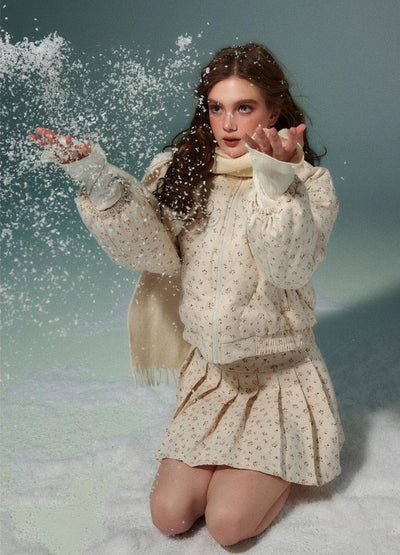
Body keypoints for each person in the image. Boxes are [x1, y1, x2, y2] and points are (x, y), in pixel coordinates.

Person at [29, 43, 344, 547]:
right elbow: (152, 253)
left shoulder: (307, 184)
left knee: (227, 525)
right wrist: (97, 180)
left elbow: (289, 267)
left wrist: (274, 181)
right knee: (169, 517)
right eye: (217, 108)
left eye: (244, 107)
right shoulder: (184, 170)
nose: (228, 124)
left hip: (275, 377)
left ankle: (280, 461)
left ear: (274, 112)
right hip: (211, 376)